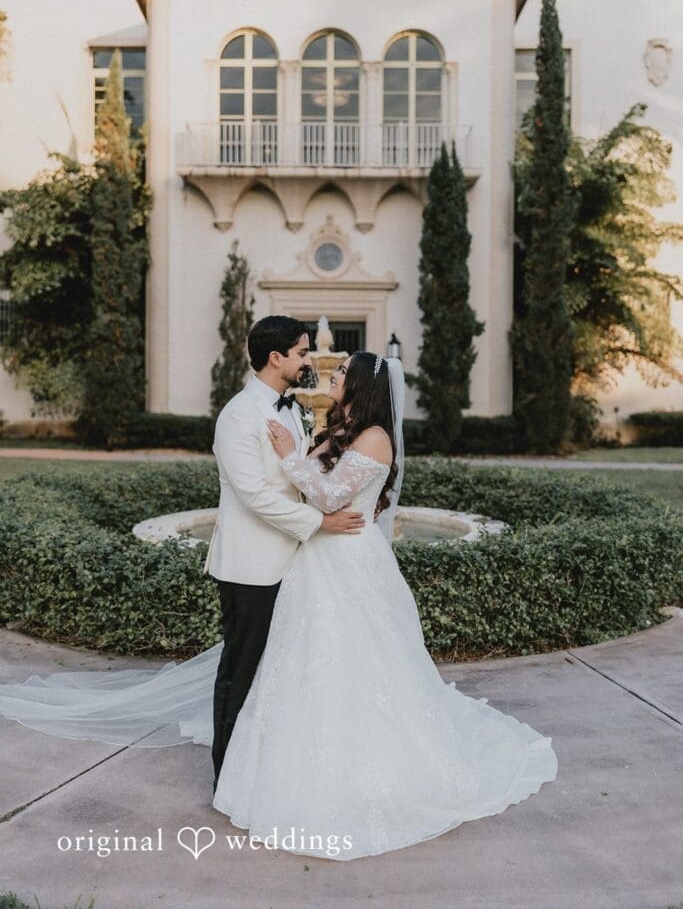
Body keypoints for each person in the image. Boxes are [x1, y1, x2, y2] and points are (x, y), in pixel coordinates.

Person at [0, 337, 558, 862]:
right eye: (316, 360)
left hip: (348, 560)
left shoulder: (375, 438)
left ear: (360, 385)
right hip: (315, 559)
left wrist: (293, 455)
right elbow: (306, 491)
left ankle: (357, 763)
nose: (328, 372)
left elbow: (328, 493)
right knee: (299, 659)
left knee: (356, 660)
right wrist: (303, 456)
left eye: (341, 373)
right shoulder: (327, 425)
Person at [204, 316, 365, 792]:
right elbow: (254, 495)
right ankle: (226, 777)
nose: (309, 360)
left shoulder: (290, 409)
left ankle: (262, 770)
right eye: (301, 352)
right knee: (242, 670)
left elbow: (297, 477)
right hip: (250, 567)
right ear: (276, 359)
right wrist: (321, 524)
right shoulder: (238, 415)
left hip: (292, 564)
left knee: (277, 673)